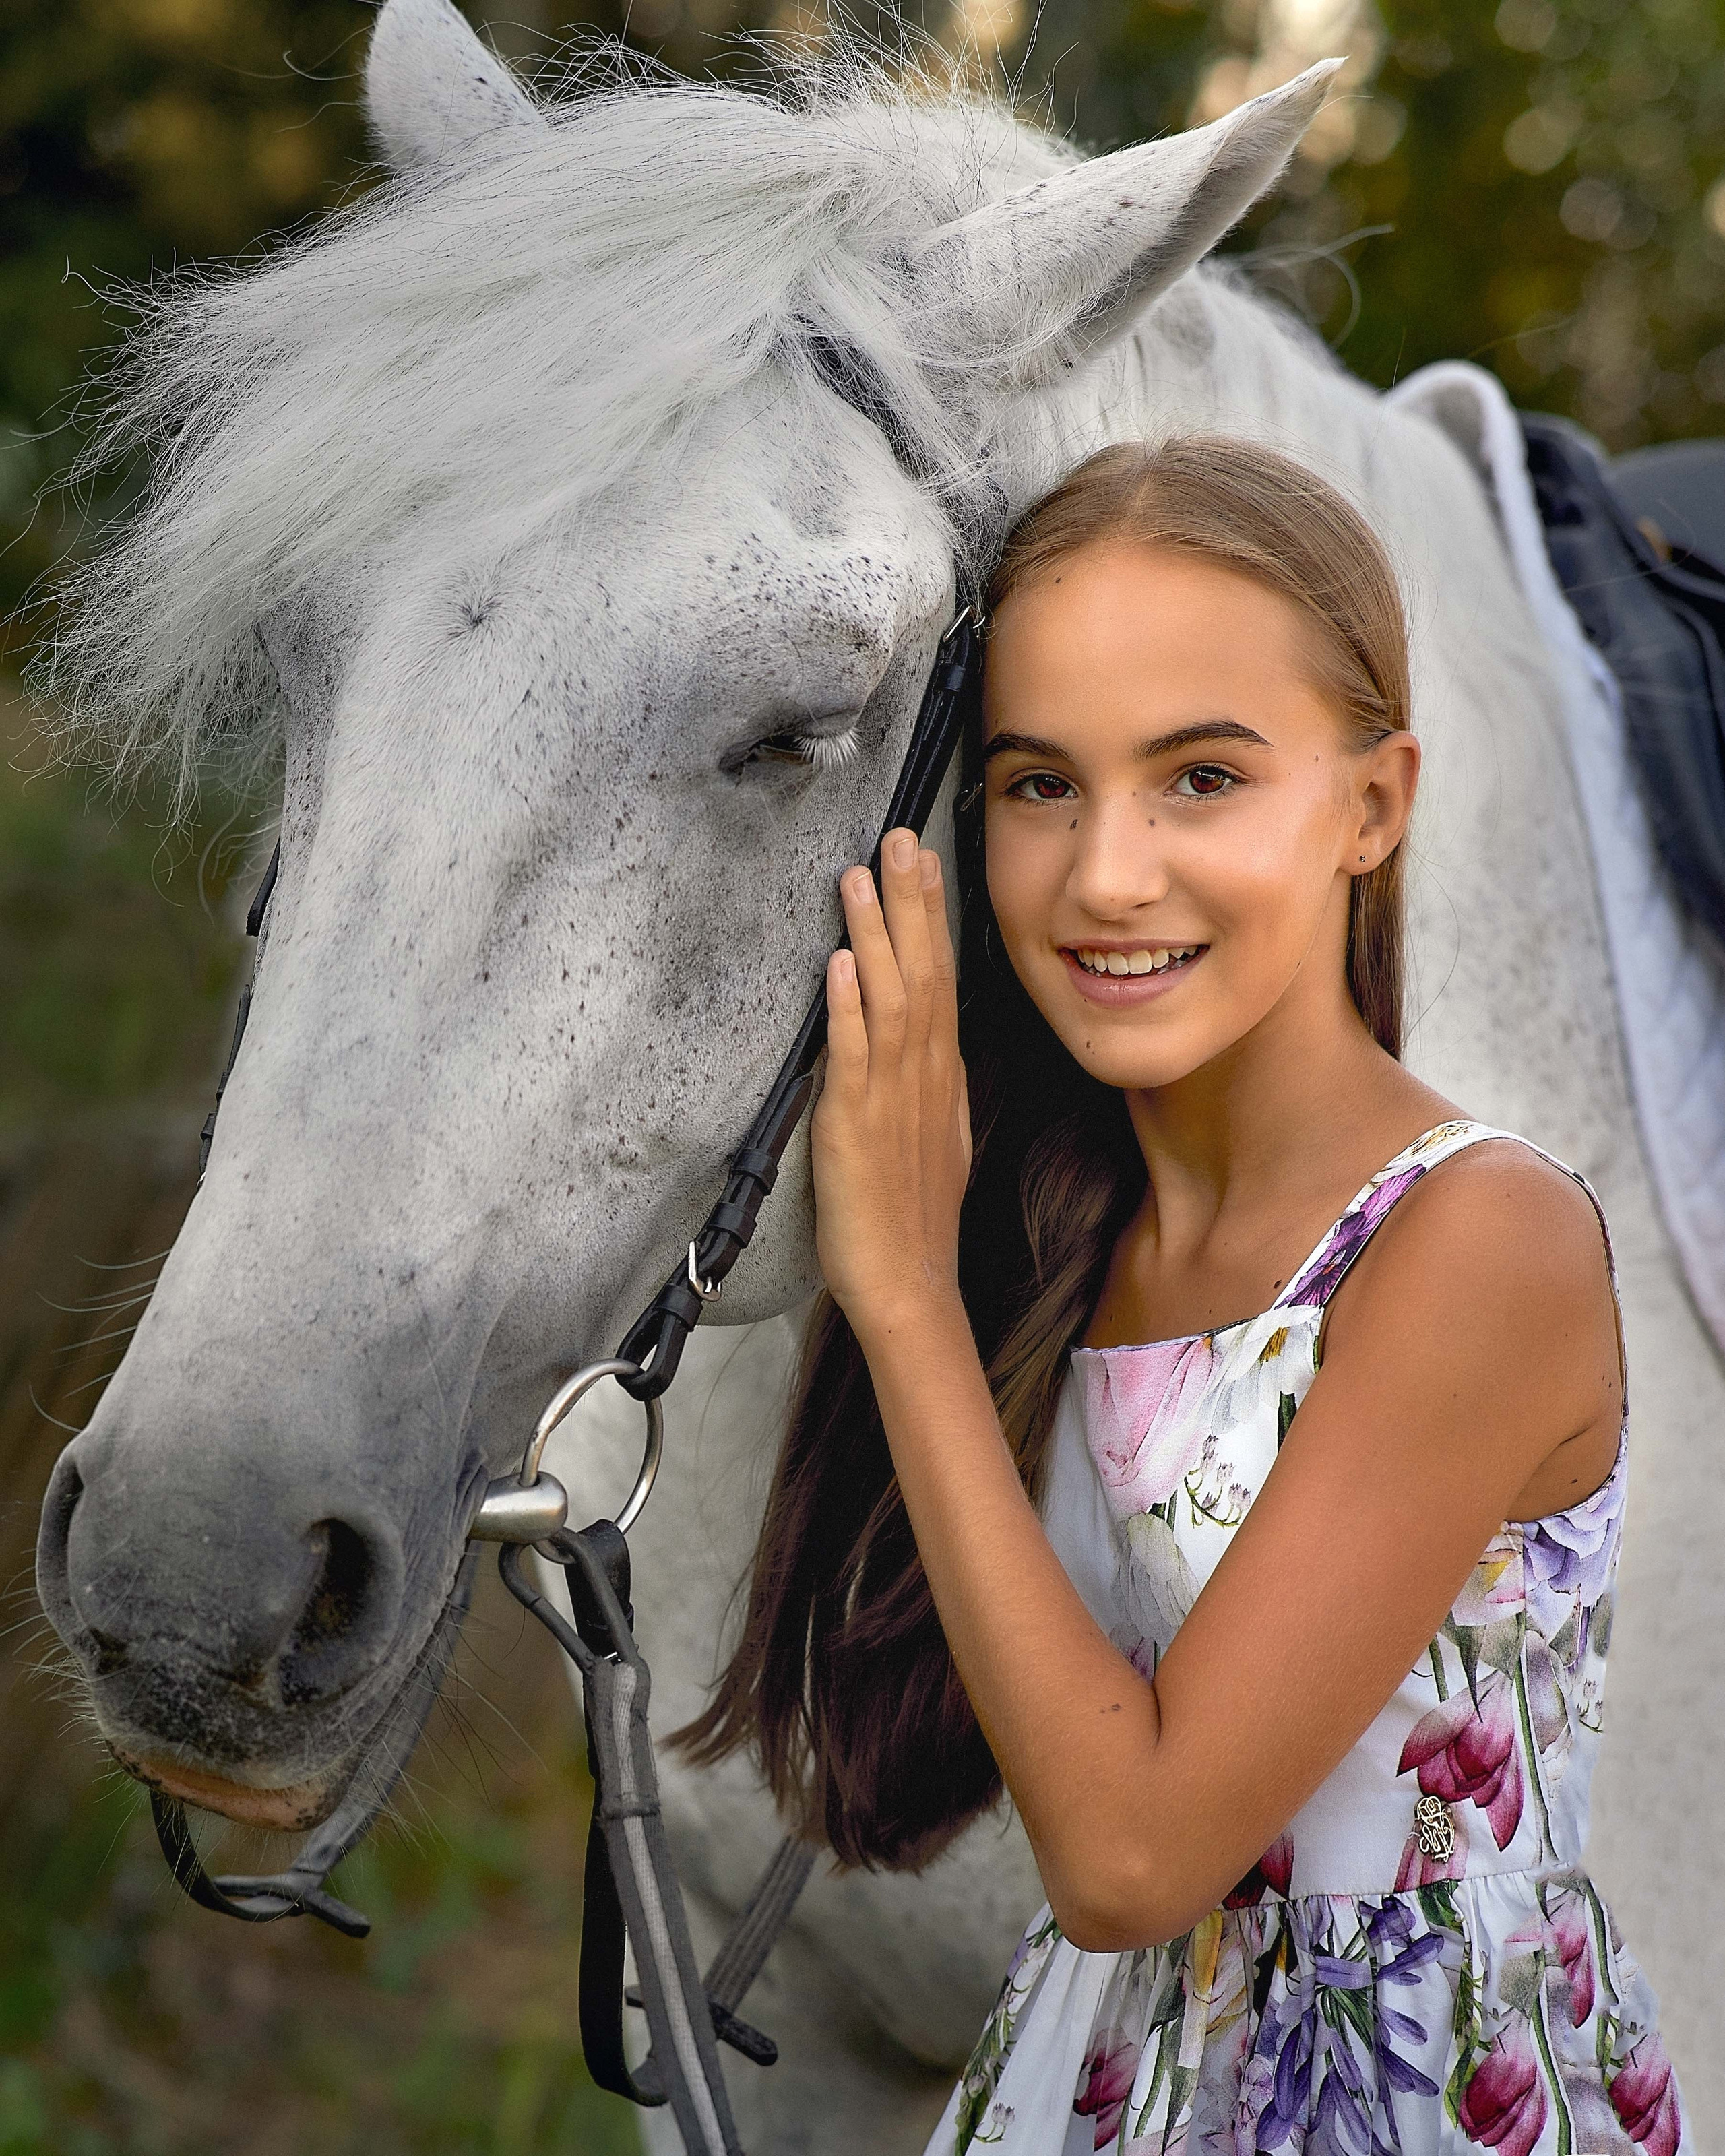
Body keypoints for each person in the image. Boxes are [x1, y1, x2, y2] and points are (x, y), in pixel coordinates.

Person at [681, 439, 1689, 2153]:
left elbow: (1133, 1858)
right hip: (1110, 2083)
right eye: (1036, 784)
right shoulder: (1070, 1229)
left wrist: (906, 1303)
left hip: (1410, 2096)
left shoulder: (1473, 1242)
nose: (1105, 876)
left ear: (1371, 805)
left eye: (1200, 778)